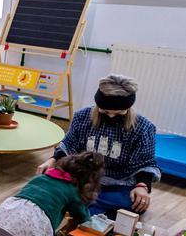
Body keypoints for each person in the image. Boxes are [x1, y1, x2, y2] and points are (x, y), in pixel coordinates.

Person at [37, 74, 160, 218]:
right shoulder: (82, 117)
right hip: (84, 179)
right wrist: (52, 160)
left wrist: (142, 187)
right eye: (105, 111)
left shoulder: (143, 127)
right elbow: (68, 144)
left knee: (135, 202)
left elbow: (145, 161)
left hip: (119, 185)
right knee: (47, 185)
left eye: (120, 112)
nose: (112, 116)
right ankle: (93, 210)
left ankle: (81, 207)